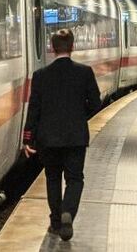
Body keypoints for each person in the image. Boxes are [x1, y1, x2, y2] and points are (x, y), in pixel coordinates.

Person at [23, 28, 101, 241]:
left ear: (52, 48)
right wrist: (78, 116)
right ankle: (68, 211)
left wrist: (28, 139)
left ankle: (56, 223)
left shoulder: (40, 76)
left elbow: (34, 110)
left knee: (53, 178)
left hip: (48, 139)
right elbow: (96, 104)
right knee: (75, 179)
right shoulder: (85, 72)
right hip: (75, 137)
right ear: (72, 47)